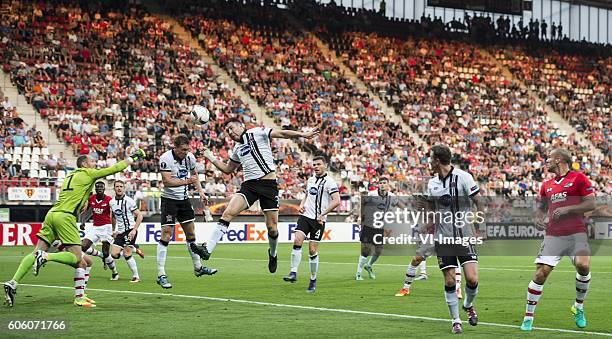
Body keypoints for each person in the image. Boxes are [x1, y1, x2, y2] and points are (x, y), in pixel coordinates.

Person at [3, 149, 146, 307]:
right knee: (77, 258)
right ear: (84, 164)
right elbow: (115, 168)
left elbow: (75, 194)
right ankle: (45, 257)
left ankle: (13, 282)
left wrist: (83, 201)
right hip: (65, 217)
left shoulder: (69, 176)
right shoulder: (88, 173)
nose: (94, 164)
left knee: (82, 262)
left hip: (52, 214)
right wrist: (133, 157)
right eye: (92, 162)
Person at [191, 119, 320, 274]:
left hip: (268, 185)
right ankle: (208, 249)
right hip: (250, 186)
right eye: (227, 131)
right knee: (228, 212)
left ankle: (273, 254)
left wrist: (303, 134)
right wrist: (209, 156)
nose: (230, 133)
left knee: (272, 229)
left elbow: (282, 133)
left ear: (241, 126)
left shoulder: (257, 132)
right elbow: (227, 169)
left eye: (232, 128)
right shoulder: (238, 148)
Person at [520, 148, 596, 331]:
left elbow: (591, 203)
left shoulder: (578, 178)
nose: (546, 162)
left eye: (548, 159)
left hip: (576, 232)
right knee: (540, 274)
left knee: (583, 266)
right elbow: (541, 208)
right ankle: (528, 316)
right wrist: (537, 218)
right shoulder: (546, 185)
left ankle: (578, 307)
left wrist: (569, 209)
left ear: (559, 159)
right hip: (554, 235)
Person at [425, 144, 483, 334]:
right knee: (450, 281)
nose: (429, 162)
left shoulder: (464, 177)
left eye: (430, 158)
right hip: (443, 239)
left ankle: (467, 304)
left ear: (437, 160)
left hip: (464, 236)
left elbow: (478, 201)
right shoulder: (432, 183)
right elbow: (431, 209)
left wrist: (480, 225)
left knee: (472, 279)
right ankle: (455, 320)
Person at [156, 134, 216, 289]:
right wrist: (187, 181)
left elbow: (194, 176)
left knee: (191, 235)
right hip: (169, 201)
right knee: (166, 235)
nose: (185, 152)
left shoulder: (189, 158)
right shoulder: (165, 158)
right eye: (183, 150)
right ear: (174, 147)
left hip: (183, 200)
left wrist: (201, 193)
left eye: (187, 149)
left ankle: (198, 268)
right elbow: (167, 182)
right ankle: (161, 273)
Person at [283, 156, 340, 293]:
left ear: (325, 165)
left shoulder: (330, 182)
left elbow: (336, 200)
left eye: (318, 164)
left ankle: (313, 280)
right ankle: (293, 272)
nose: (316, 166)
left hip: (319, 220)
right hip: (306, 216)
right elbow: (307, 195)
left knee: (312, 250)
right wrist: (302, 205)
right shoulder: (311, 180)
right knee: (297, 240)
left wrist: (323, 213)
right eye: (314, 164)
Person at [355, 177, 394, 280]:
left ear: (388, 184)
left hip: (381, 226)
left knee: (379, 250)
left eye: (384, 183)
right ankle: (358, 273)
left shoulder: (392, 196)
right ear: (378, 184)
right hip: (369, 224)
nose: (382, 184)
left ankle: (369, 265)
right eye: (380, 183)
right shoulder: (372, 194)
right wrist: (360, 217)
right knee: (366, 250)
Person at [80, 181, 119, 280]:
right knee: (83, 246)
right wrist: (83, 222)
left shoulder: (109, 200)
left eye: (101, 188)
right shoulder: (91, 198)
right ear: (95, 189)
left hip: (106, 227)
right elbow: (87, 211)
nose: (99, 189)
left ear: (104, 189)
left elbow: (113, 215)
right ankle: (98, 256)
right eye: (98, 188)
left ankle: (114, 272)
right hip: (95, 227)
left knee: (106, 253)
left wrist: (113, 230)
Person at [109, 180, 144, 283]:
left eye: (121, 186)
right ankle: (135, 249)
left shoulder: (129, 201)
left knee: (126, 253)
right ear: (114, 188)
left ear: (124, 188)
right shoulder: (112, 202)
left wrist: (134, 230)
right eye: (117, 186)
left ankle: (136, 276)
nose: (119, 188)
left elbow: (140, 215)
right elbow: (114, 217)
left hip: (130, 230)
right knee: (114, 254)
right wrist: (114, 230)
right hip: (120, 232)